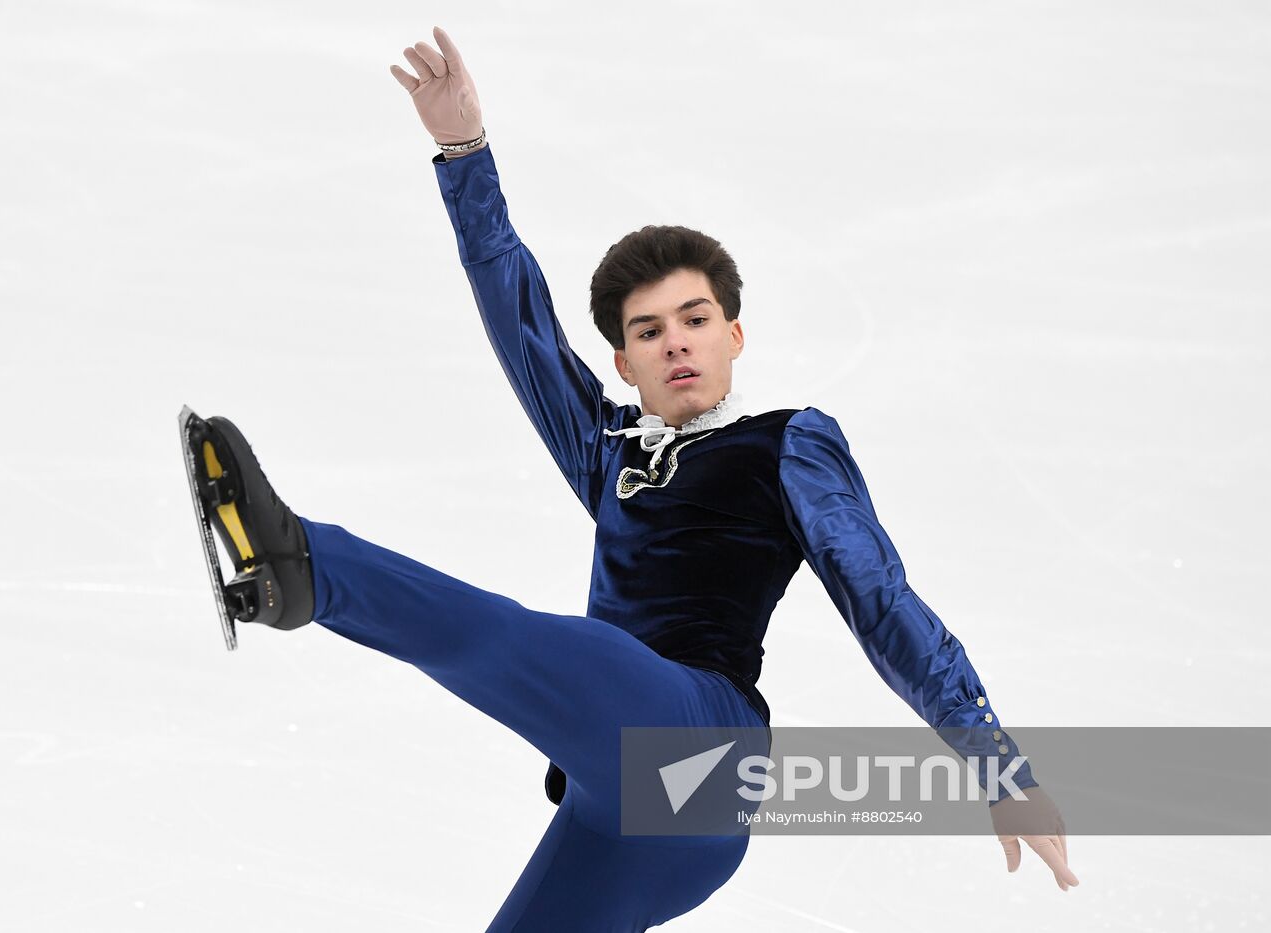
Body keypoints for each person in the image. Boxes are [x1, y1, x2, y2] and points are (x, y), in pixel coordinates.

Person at [183, 25, 1079, 931]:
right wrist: (464, 154)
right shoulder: (609, 449)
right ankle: (299, 574)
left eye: (695, 318)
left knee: (531, 641)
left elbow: (881, 596)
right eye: (649, 331)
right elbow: (520, 319)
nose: (676, 340)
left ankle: (305, 564)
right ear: (623, 361)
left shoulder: (787, 445)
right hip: (613, 811)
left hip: (703, 750)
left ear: (735, 333)